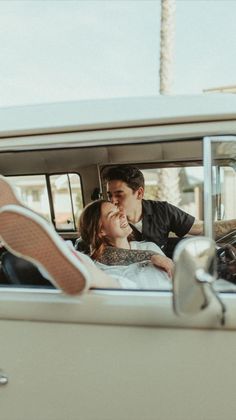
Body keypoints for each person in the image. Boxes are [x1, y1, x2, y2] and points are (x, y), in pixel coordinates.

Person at [0, 198, 172, 294]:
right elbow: (107, 261)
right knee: (117, 286)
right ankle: (63, 255)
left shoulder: (149, 246)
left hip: (167, 300)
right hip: (132, 302)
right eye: (113, 214)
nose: (122, 214)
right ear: (101, 231)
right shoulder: (98, 265)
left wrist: (166, 262)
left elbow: (178, 275)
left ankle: (64, 253)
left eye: (119, 210)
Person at [103, 165, 236, 255]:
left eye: (119, 194)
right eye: (110, 195)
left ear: (139, 193)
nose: (113, 201)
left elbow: (201, 228)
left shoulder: (162, 210)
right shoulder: (105, 221)